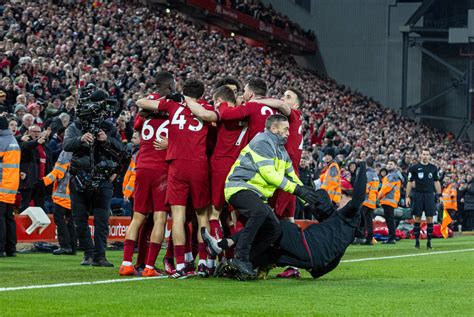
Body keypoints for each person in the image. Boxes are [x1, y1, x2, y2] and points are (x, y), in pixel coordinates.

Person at [202, 162, 368, 281]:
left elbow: (359, 197)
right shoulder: (346, 228)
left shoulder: (352, 214)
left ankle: (222, 245)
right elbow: (333, 261)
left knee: (274, 226)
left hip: (308, 245)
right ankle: (233, 266)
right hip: (312, 260)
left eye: (343, 196)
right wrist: (318, 270)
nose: (338, 200)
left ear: (350, 198)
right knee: (272, 254)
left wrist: (362, 167)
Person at [213, 114, 319, 278]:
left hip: (255, 194)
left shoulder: (281, 150)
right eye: (285, 129)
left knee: (274, 229)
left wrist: (307, 197)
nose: (288, 133)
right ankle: (240, 257)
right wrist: (297, 191)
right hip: (239, 186)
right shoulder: (262, 141)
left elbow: (292, 176)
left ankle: (240, 262)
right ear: (274, 128)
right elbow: (269, 174)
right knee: (261, 213)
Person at [137, 78, 219, 278]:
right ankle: (204, 263)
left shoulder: (173, 105)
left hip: (176, 165)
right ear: (202, 93)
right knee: (202, 217)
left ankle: (181, 265)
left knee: (179, 217)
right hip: (198, 164)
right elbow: (213, 118)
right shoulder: (206, 107)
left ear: (184, 91)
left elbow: (141, 102)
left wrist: (175, 98)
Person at [63, 89, 127, 267]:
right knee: (80, 219)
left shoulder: (108, 127)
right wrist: (80, 139)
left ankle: (100, 255)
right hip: (79, 178)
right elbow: (66, 145)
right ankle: (87, 253)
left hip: (102, 178)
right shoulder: (75, 126)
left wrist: (106, 140)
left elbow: (121, 149)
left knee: (102, 220)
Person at [120, 72, 174, 277]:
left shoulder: (146, 112)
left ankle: (126, 264)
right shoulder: (174, 110)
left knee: (137, 217)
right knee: (160, 218)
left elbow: (135, 125)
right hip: (161, 170)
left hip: (142, 166)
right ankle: (150, 267)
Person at [406, 149, 441, 249]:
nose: (425, 156)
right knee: (417, 218)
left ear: (429, 156)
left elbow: (436, 182)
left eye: (427, 154)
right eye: (423, 154)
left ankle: (429, 242)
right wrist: (407, 196)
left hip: (430, 195)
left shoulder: (433, 168)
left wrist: (439, 195)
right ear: (420, 155)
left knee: (430, 218)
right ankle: (417, 242)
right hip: (418, 195)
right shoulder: (414, 168)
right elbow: (409, 182)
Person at [42, 151, 76, 255]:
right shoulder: (82, 150)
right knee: (71, 222)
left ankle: (65, 246)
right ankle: (73, 247)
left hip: (62, 195)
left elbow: (58, 172)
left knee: (60, 221)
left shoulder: (66, 152)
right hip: (75, 196)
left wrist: (43, 182)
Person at [0, 115, 21, 257]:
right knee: (8, 217)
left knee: (1, 218)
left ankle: (0, 249)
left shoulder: (2, 141)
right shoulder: (12, 140)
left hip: (2, 184)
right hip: (11, 184)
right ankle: (11, 249)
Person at [378, 159, 402, 244]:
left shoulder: (393, 175)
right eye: (388, 164)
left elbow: (387, 188)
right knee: (389, 219)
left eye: (391, 164)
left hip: (389, 200)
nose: (389, 165)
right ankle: (392, 237)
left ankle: (392, 238)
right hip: (388, 200)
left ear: (395, 166)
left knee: (390, 219)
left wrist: (379, 195)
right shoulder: (390, 175)